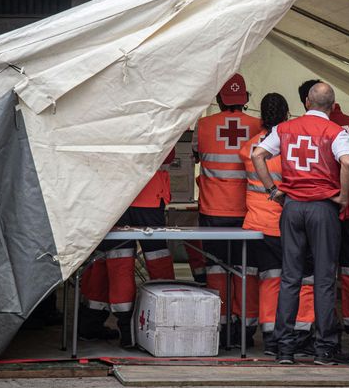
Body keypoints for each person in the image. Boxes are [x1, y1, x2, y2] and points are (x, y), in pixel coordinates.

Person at [252, 82, 349, 366]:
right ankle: (325, 349)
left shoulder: (285, 129)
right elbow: (347, 163)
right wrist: (343, 196)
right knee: (323, 280)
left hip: (293, 207)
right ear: (333, 106)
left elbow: (257, 155)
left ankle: (284, 348)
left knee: (290, 278)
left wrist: (272, 190)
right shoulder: (335, 131)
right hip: (323, 208)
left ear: (307, 102)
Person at [298, 79, 349, 347]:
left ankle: (312, 326)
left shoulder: (312, 130)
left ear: (310, 102)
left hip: (321, 211)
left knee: (316, 271)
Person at [239, 93, 316, 356]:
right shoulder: (293, 144)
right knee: (303, 280)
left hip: (258, 224)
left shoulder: (249, 147)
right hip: (291, 222)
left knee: (269, 280)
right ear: (286, 115)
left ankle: (271, 339)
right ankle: (301, 336)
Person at [80, 149, 178, 346]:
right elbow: (168, 154)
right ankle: (170, 322)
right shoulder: (157, 119)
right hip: (149, 197)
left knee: (117, 263)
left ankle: (125, 331)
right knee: (157, 260)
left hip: (115, 198)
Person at [193, 73, 262, 344]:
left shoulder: (203, 125)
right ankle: (245, 328)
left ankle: (219, 327)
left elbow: (196, 155)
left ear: (220, 99)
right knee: (247, 271)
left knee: (216, 270)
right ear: (245, 99)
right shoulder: (258, 125)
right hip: (248, 212)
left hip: (212, 212)